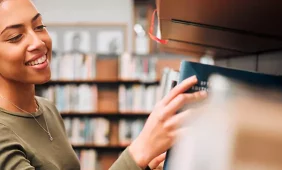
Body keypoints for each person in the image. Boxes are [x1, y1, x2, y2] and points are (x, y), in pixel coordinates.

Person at [0, 0, 207, 169]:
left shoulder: (47, 109)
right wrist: (139, 151)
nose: (38, 42)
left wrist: (142, 164)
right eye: (15, 37)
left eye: (39, 27)